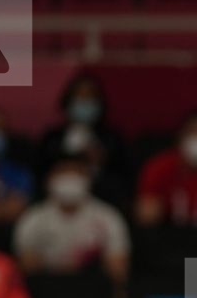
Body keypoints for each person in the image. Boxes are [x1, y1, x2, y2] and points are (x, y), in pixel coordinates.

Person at [13, 158, 131, 288]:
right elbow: (27, 266)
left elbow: (118, 266)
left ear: (88, 180)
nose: (70, 179)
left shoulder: (108, 216)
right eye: (63, 173)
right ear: (49, 181)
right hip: (47, 288)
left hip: (92, 288)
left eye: (76, 174)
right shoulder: (33, 218)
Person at [37, 73, 131, 208]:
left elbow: (124, 178)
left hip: (103, 204)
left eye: (90, 98)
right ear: (68, 101)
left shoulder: (112, 139)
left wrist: (98, 164)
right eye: (80, 97)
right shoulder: (52, 139)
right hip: (55, 204)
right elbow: (41, 173)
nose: (85, 102)